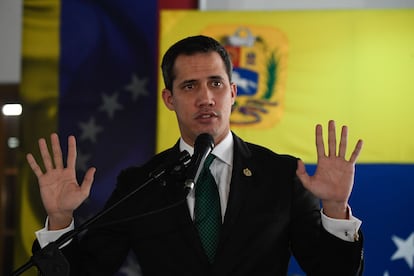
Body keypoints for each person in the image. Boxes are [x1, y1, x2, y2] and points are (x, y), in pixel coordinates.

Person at [26, 35, 364, 275]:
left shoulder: (281, 174)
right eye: (189, 86)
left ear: (232, 93)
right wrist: (59, 220)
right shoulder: (140, 184)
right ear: (169, 98)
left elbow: (333, 271)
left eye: (216, 84)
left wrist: (334, 209)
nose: (206, 98)